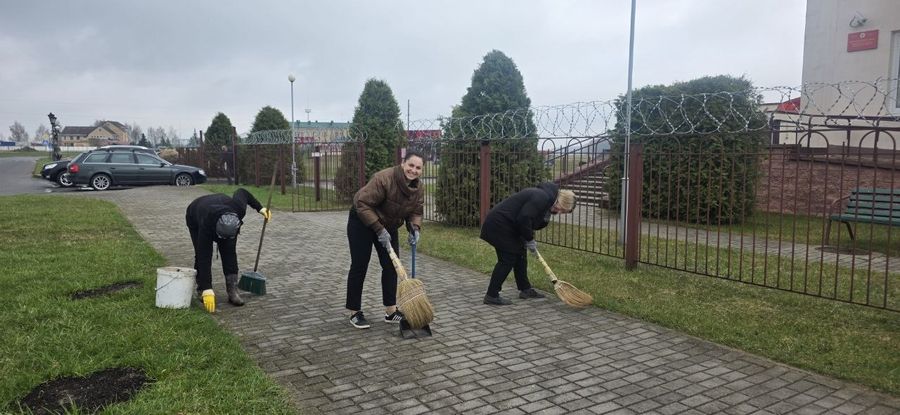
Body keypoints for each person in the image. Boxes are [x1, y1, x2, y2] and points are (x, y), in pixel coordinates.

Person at [345, 151, 425, 329]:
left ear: (422, 170)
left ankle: (391, 311)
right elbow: (362, 204)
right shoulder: (384, 178)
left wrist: (414, 228)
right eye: (411, 165)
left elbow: (416, 211)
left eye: (418, 168)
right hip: (361, 220)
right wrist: (378, 229)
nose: (413, 170)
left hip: (388, 223)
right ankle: (354, 311)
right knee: (360, 264)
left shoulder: (418, 188)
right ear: (403, 163)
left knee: (391, 266)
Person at [480, 183, 576, 305]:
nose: (559, 212)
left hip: (511, 226)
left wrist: (539, 224)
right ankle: (491, 295)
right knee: (507, 259)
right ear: (561, 202)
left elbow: (531, 221)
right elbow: (524, 218)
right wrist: (529, 239)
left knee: (520, 256)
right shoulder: (542, 197)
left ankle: (525, 289)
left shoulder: (546, 200)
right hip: (499, 225)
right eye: (561, 209)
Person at [185, 188, 272, 313]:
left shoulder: (238, 209)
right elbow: (204, 257)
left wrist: (260, 208)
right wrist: (207, 288)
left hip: (223, 212)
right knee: (201, 254)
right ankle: (201, 290)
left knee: (229, 253)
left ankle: (232, 291)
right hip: (195, 215)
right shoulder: (206, 223)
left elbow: (242, 192)